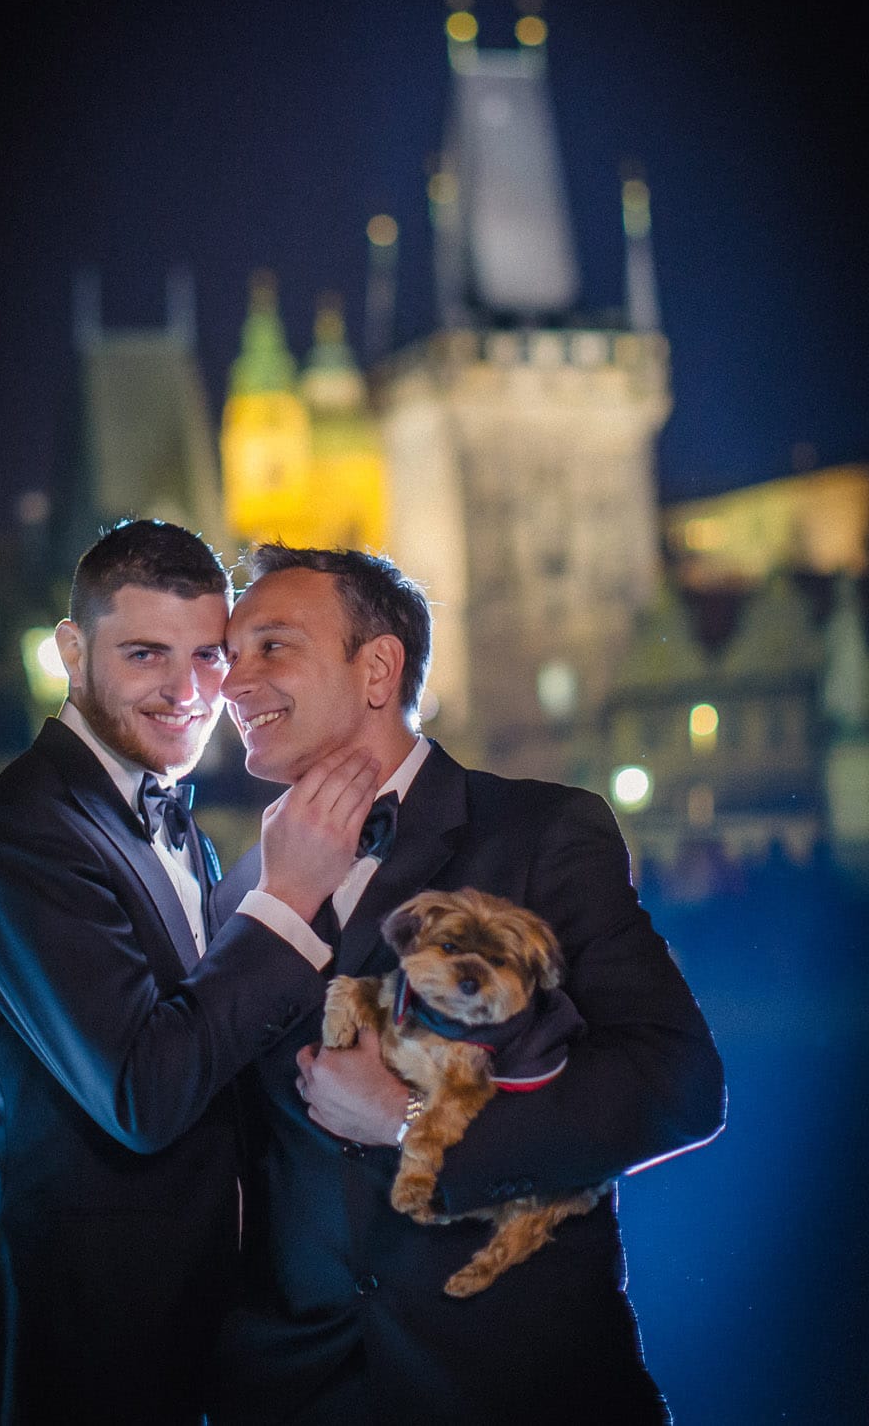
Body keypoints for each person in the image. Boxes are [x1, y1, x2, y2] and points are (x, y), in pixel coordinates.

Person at [210, 543, 726, 1426]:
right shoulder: (239, 890)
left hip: (515, 1386)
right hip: (297, 1395)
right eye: (229, 656)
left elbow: (678, 1085)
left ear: (377, 669)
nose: (232, 682)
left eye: (270, 647)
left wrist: (413, 1128)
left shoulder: (538, 832)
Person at [0, 520, 380, 1426]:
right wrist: (286, 902)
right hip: (89, 1351)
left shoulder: (171, 819)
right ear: (71, 650)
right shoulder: (21, 832)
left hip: (217, 1337)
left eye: (210, 658)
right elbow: (144, 1090)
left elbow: (217, 1040)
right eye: (145, 654)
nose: (188, 692)